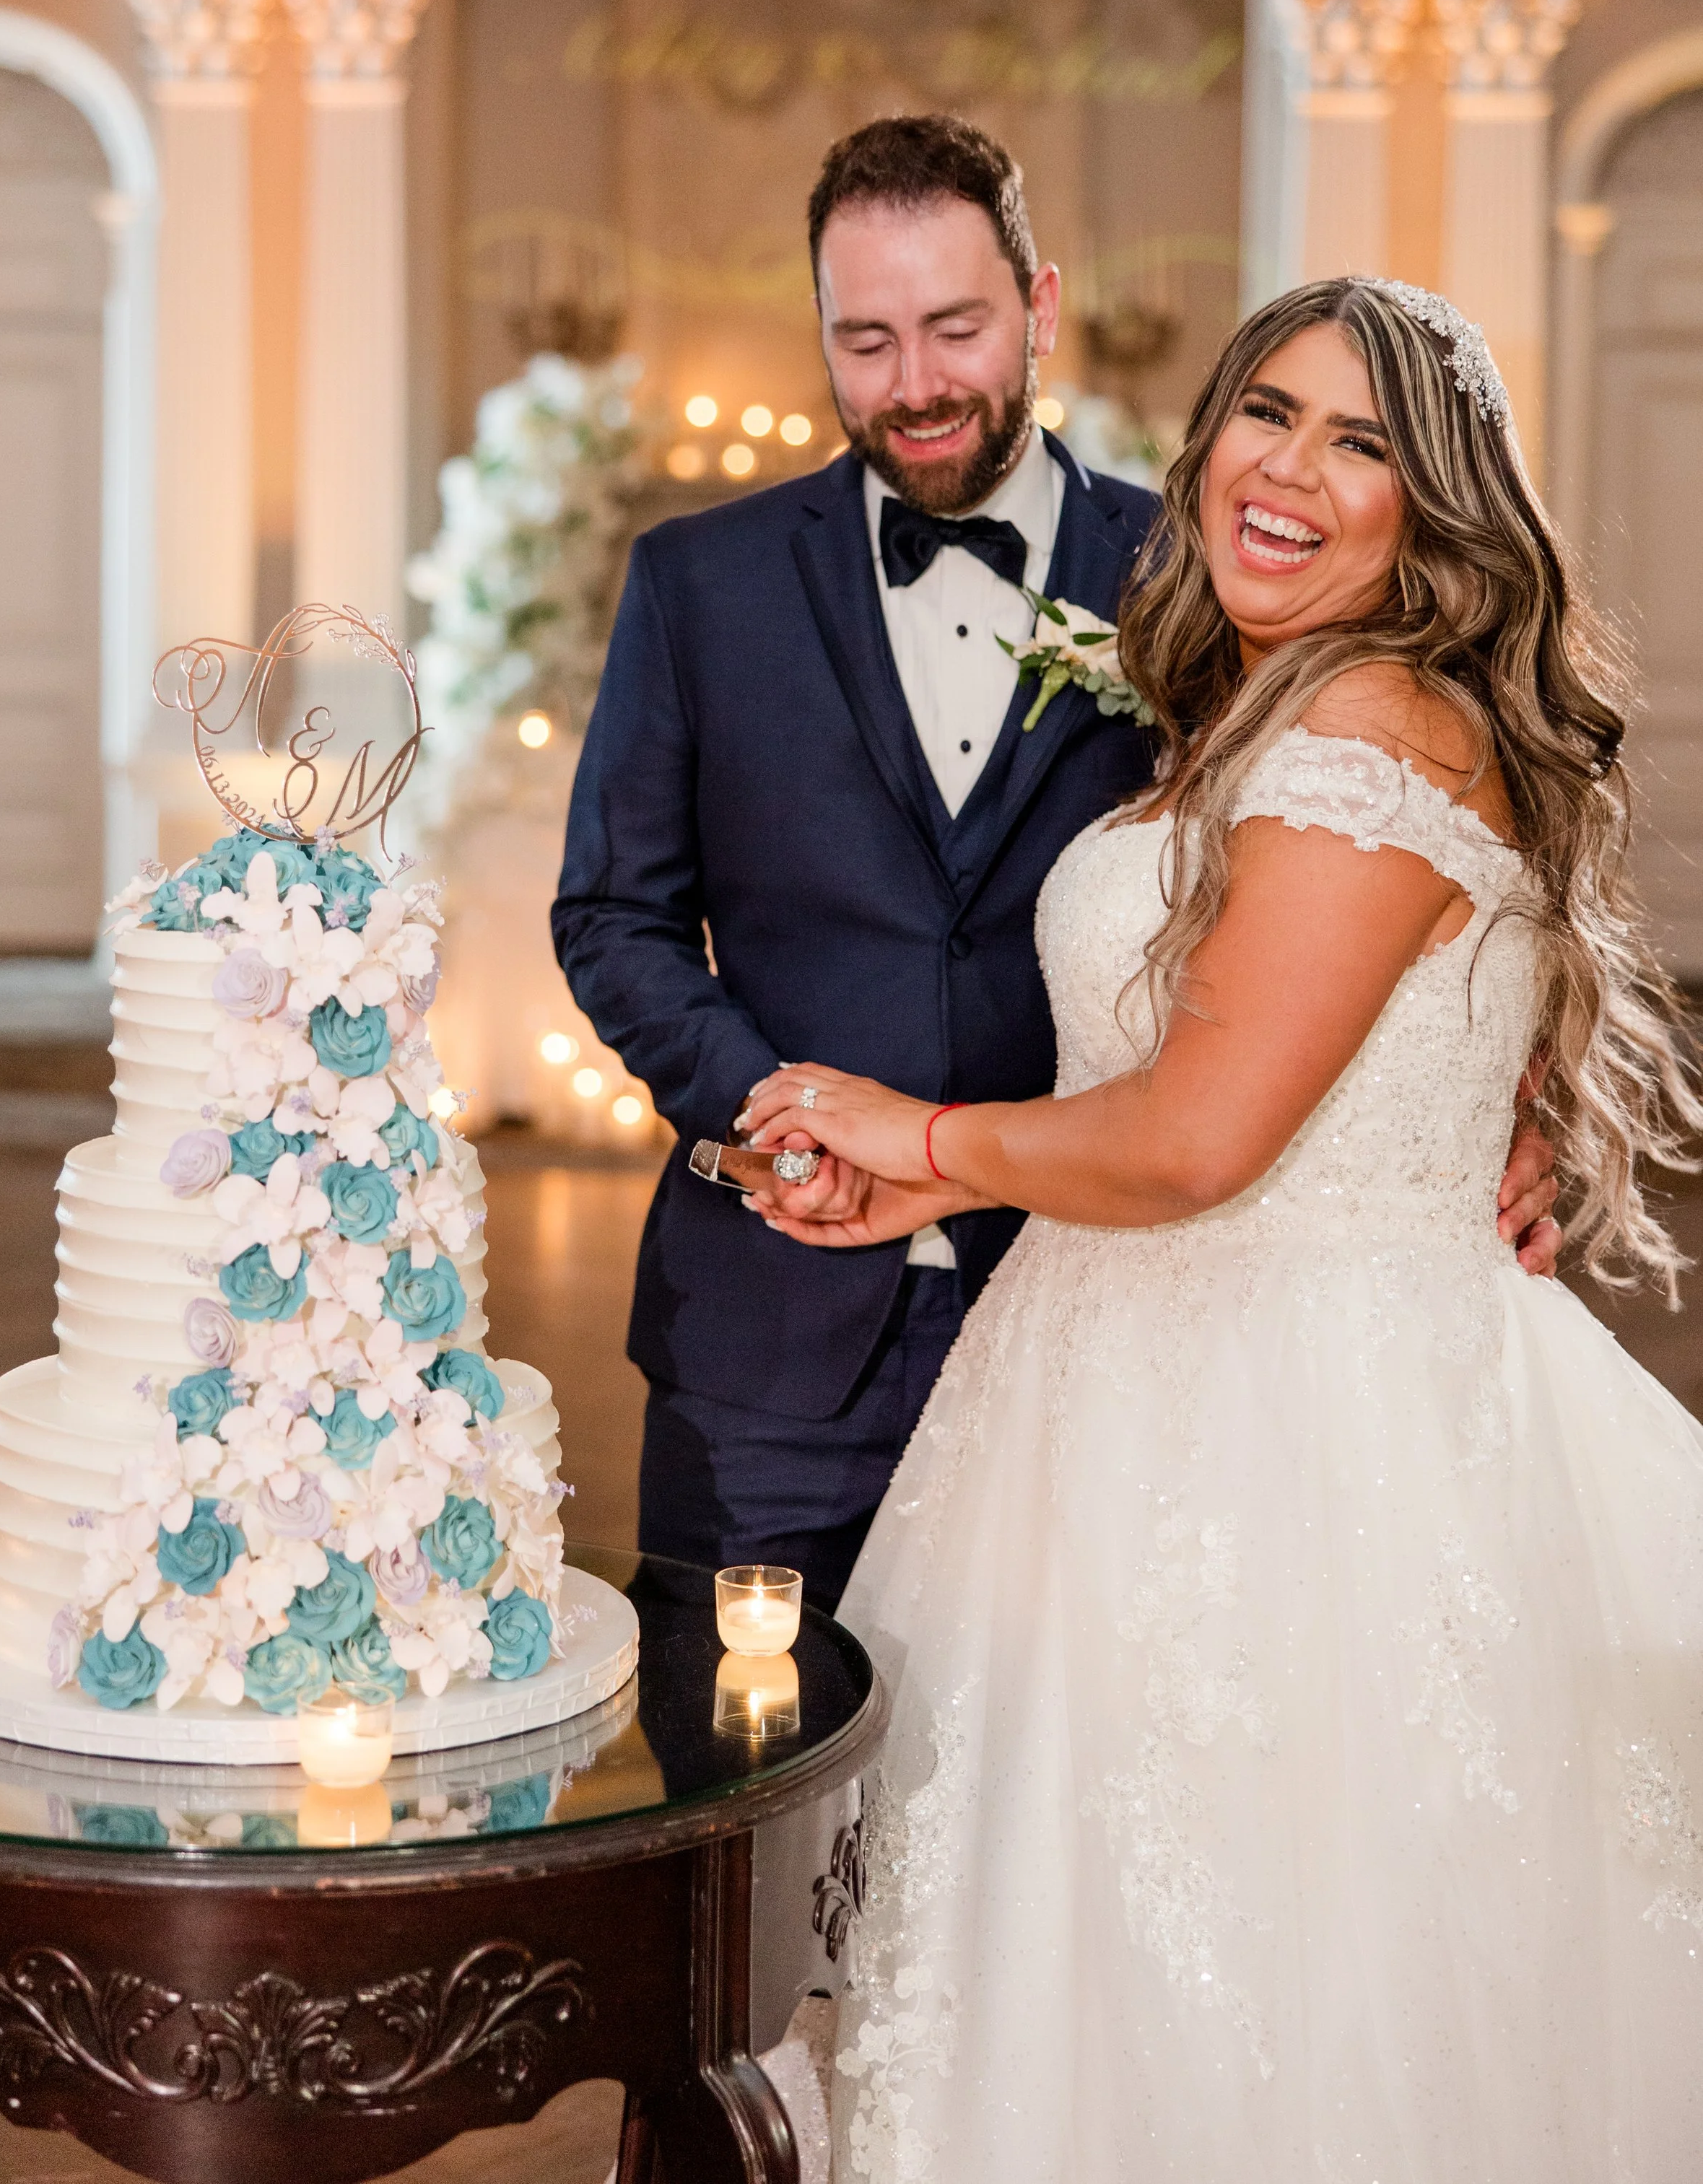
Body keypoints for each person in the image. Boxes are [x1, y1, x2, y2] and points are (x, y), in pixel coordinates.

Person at [741, 276, 1703, 2181]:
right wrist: (953, 1179)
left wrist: (911, 1127)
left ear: (1434, 513)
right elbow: (1220, 1078)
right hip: (1115, 1385)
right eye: (1266, 412)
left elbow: (1195, 1139)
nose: (1288, 469)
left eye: (1361, 444)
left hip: (1301, 1446)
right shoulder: (1271, 712)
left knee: (1265, 1975)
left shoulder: (1374, 723)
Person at [553, 119, 1557, 1608]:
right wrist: (787, 1115)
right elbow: (613, 916)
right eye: (866, 340)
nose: (915, 383)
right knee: (736, 1729)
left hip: (1116, 1315)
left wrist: (1498, 1116)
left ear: (1039, 305)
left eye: (956, 327)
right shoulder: (700, 579)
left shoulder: (1216, 571)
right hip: (771, 1319)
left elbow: (1395, 876)